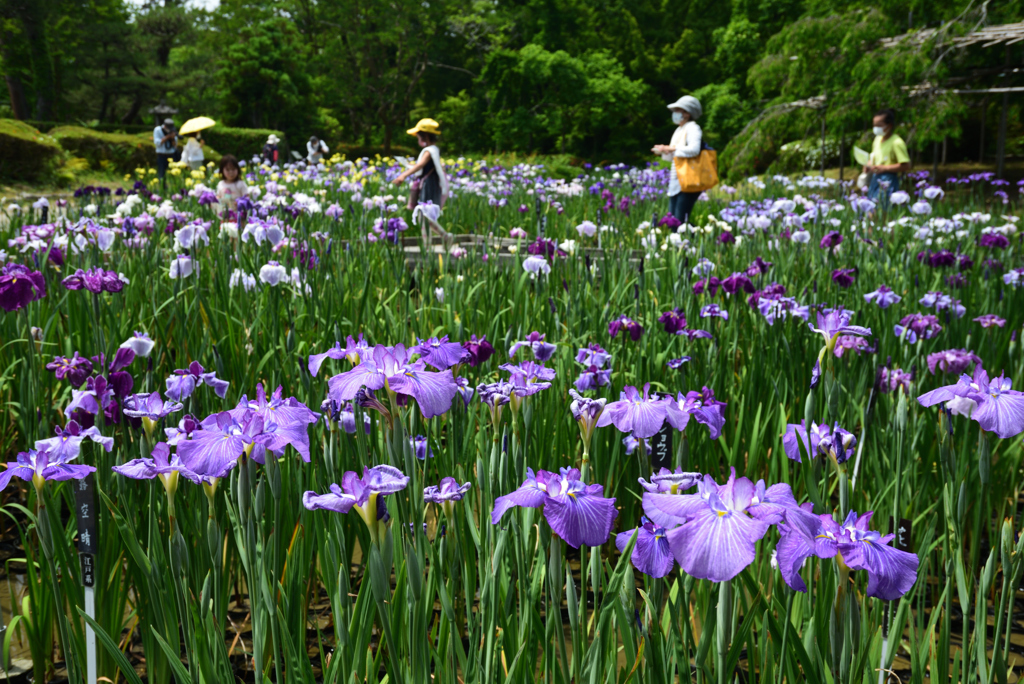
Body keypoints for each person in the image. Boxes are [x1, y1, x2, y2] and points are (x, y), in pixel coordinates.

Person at [392, 118, 451, 245]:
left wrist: (403, 176)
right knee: (423, 216)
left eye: (418, 136)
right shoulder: (432, 150)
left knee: (424, 215)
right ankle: (434, 242)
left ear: (424, 136)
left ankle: (441, 238)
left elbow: (420, 165)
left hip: (429, 184)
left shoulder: (430, 150)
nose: (418, 139)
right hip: (428, 183)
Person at [651, 95, 703, 226]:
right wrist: (664, 151)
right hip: (676, 180)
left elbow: (694, 149)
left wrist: (671, 148)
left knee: (678, 222)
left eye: (678, 110)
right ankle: (684, 243)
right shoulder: (679, 130)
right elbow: (673, 155)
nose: (675, 113)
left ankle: (693, 242)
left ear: (687, 113)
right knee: (672, 220)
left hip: (688, 180)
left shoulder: (693, 128)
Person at [863, 108, 911, 208]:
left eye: (879, 125)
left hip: (888, 180)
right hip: (875, 178)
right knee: (870, 208)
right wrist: (868, 165)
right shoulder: (877, 139)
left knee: (881, 210)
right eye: (874, 125)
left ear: (889, 125)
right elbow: (873, 156)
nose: (876, 128)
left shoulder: (897, 142)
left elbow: (906, 165)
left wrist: (884, 168)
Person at [153, 118, 177, 188]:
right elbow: (157, 143)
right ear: (165, 126)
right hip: (161, 155)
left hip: (171, 155)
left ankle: (174, 189)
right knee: (161, 174)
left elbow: (175, 146)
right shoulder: (158, 130)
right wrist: (167, 137)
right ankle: (162, 189)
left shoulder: (173, 131)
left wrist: (172, 138)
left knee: (174, 174)